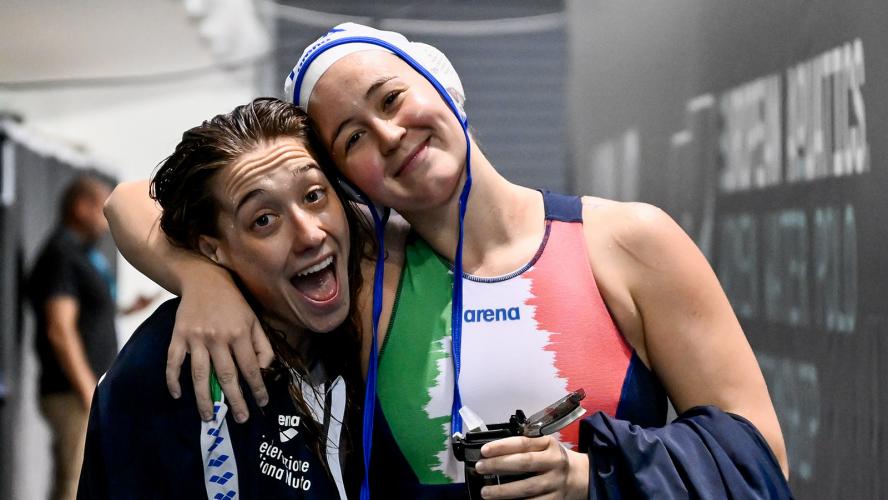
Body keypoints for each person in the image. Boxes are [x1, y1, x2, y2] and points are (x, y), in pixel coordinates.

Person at [105, 24, 792, 499]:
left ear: (441, 83)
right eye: (353, 138)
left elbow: (759, 461)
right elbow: (130, 202)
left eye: (391, 99)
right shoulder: (365, 278)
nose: (388, 133)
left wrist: (593, 478)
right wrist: (201, 278)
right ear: (348, 183)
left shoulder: (627, 243)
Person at [78, 98, 369, 499]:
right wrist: (198, 276)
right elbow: (123, 200)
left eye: (314, 195)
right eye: (263, 220)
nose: (309, 234)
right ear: (214, 249)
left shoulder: (360, 328)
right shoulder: (180, 362)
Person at [28, 175, 117, 500]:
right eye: (101, 210)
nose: (107, 223)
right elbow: (60, 329)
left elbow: (84, 315)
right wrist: (88, 391)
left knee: (84, 481)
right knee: (74, 483)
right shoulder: (62, 255)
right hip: (71, 393)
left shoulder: (77, 253)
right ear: (81, 207)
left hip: (82, 392)